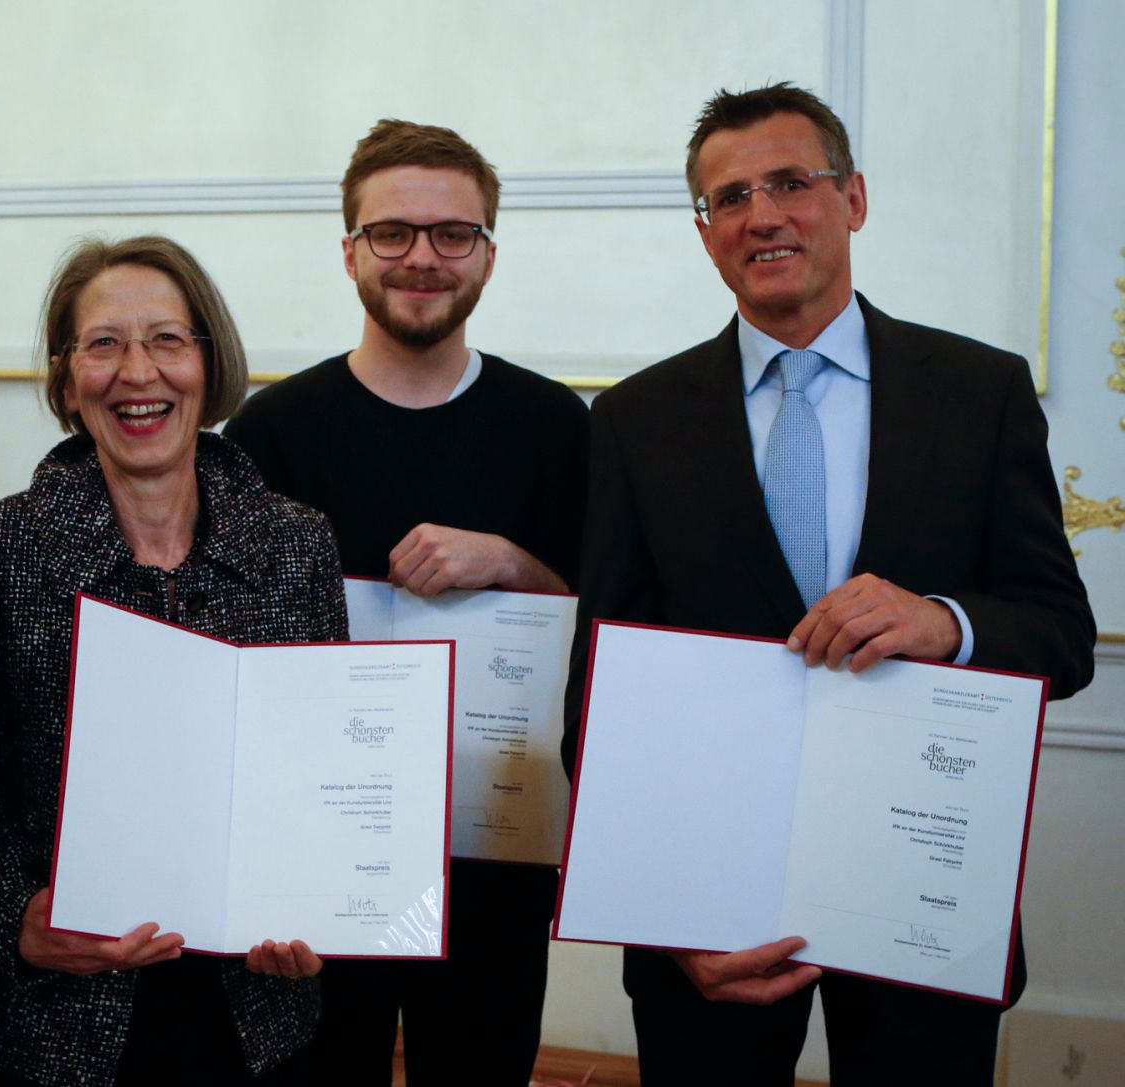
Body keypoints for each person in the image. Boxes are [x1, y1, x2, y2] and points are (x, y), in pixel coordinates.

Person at [562, 82, 1095, 1085]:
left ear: (852, 197)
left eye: (788, 183)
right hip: (709, 921)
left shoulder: (978, 393)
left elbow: (1063, 638)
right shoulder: (635, 420)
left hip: (919, 906)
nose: (759, 214)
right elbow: (599, 690)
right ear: (704, 230)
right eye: (727, 198)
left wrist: (945, 622)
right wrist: (660, 907)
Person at [226, 119, 590, 1086]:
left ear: (488, 255)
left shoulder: (558, 427)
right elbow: (230, 651)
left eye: (452, 234)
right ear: (349, 249)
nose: (422, 257)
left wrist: (515, 563)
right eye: (392, 232)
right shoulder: (271, 431)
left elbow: (603, 632)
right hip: (317, 849)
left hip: (493, 854)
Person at [0, 235, 344, 1087]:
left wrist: (321, 905)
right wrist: (13, 916)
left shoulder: (298, 545)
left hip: (254, 1016)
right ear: (65, 375)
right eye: (103, 343)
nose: (137, 372)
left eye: (166, 339)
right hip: (54, 1020)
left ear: (208, 360)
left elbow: (324, 770)